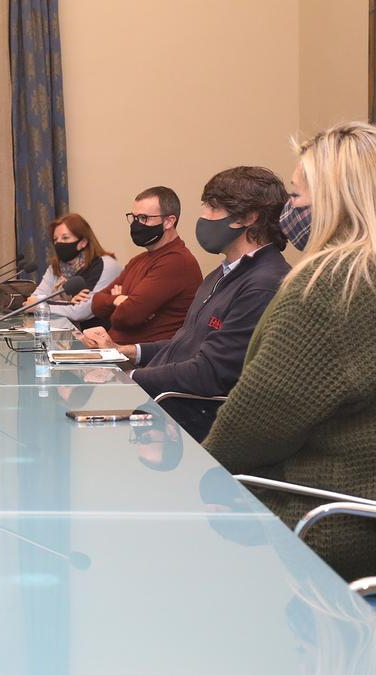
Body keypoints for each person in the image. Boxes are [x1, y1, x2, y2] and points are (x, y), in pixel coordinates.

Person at [204, 121, 376, 581]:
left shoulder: (332, 284)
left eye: (296, 198)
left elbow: (256, 423)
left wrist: (203, 471)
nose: (288, 212)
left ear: (337, 200)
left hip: (329, 524)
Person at [78, 167, 291, 441]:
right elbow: (185, 343)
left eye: (213, 208)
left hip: (187, 419)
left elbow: (210, 372)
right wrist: (124, 352)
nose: (203, 217)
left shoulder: (262, 284)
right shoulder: (223, 273)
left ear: (249, 217)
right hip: (164, 405)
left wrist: (130, 378)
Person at [80, 186, 202, 344]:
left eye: (144, 218)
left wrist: (122, 303)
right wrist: (117, 300)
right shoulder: (138, 260)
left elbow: (126, 316)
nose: (137, 224)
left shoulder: (176, 261)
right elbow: (96, 304)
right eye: (134, 217)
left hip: (146, 362)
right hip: (116, 352)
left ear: (169, 221)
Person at [27, 213, 122, 330]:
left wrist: (44, 304)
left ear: (83, 242)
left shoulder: (106, 265)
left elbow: (81, 312)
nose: (59, 243)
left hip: (101, 336)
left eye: (65, 238)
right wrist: (68, 304)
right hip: (66, 335)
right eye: (56, 240)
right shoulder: (55, 268)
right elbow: (31, 302)